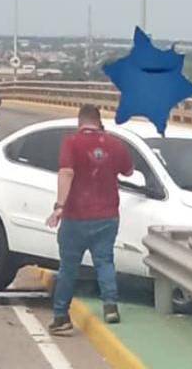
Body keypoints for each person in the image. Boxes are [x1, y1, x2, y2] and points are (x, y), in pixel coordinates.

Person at [46, 104, 134, 335]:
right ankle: (110, 306)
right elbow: (129, 172)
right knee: (104, 261)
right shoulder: (115, 144)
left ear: (80, 122)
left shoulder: (71, 143)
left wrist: (59, 207)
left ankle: (61, 317)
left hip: (76, 216)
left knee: (68, 268)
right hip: (107, 216)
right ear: (99, 121)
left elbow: (67, 173)